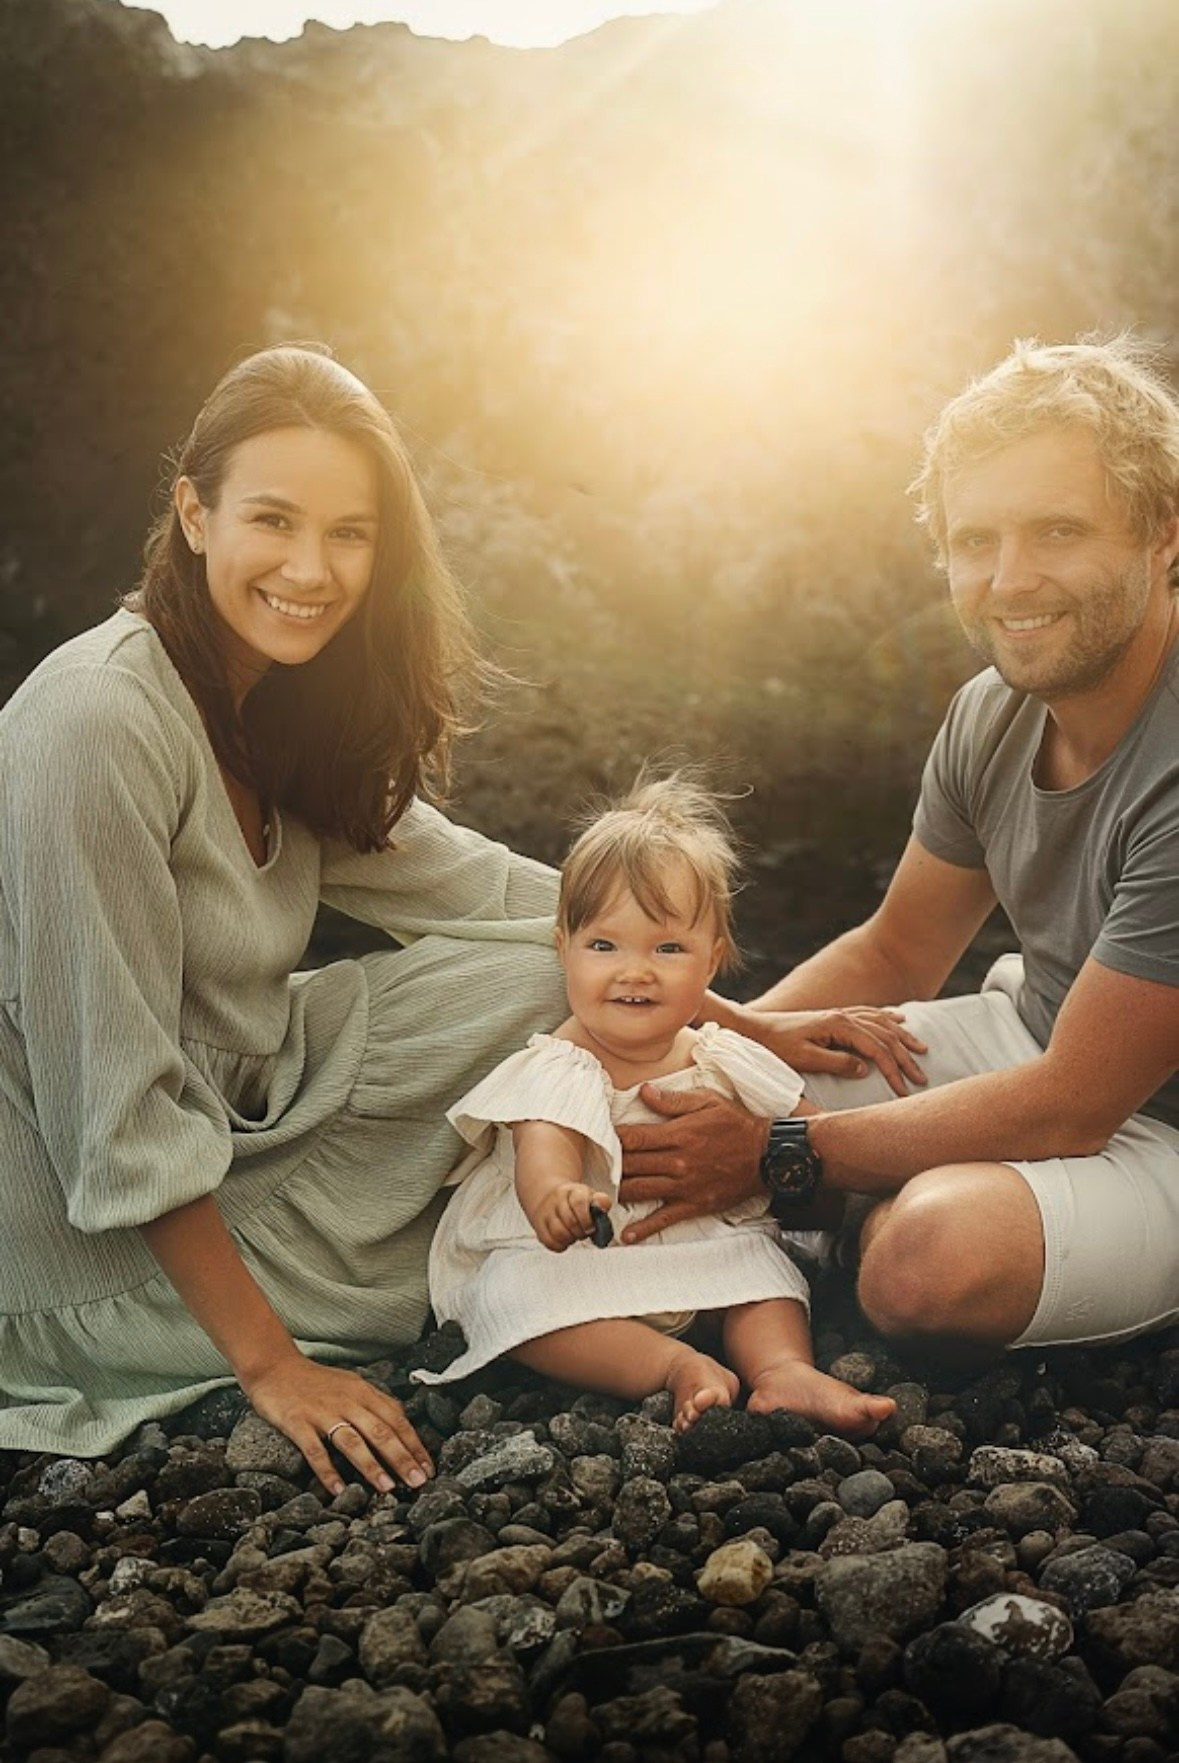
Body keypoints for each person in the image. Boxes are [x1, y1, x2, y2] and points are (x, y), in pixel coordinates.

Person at [0, 343, 916, 1489]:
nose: (312, 568)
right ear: (193, 511)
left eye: (350, 532)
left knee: (566, 981)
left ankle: (684, 1230)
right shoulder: (96, 723)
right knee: (556, 1028)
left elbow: (511, 898)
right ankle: (653, 1249)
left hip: (251, 1112)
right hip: (75, 1224)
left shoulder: (267, 703)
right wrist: (275, 1369)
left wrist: (752, 1029)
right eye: (273, 520)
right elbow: (114, 1111)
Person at [615, 336, 1179, 1362]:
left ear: (1164, 538)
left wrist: (785, 1153)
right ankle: (835, 1213)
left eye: (1058, 530)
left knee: (926, 1258)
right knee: (668, 1114)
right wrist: (696, 1061)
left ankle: (844, 1223)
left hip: (1152, 1127)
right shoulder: (992, 712)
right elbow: (891, 955)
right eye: (977, 541)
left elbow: (1081, 1100)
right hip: (1029, 1040)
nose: (1011, 581)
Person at [414, 774, 895, 1437]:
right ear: (564, 948)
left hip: (704, 1255)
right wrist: (556, 1198)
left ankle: (782, 1369)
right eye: (604, 945)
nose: (634, 969)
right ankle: (672, 1366)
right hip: (579, 1265)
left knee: (764, 1274)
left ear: (711, 963)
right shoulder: (557, 1062)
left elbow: (809, 1133)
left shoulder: (721, 1058)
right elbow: (543, 1150)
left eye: (667, 947)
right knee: (511, 1298)